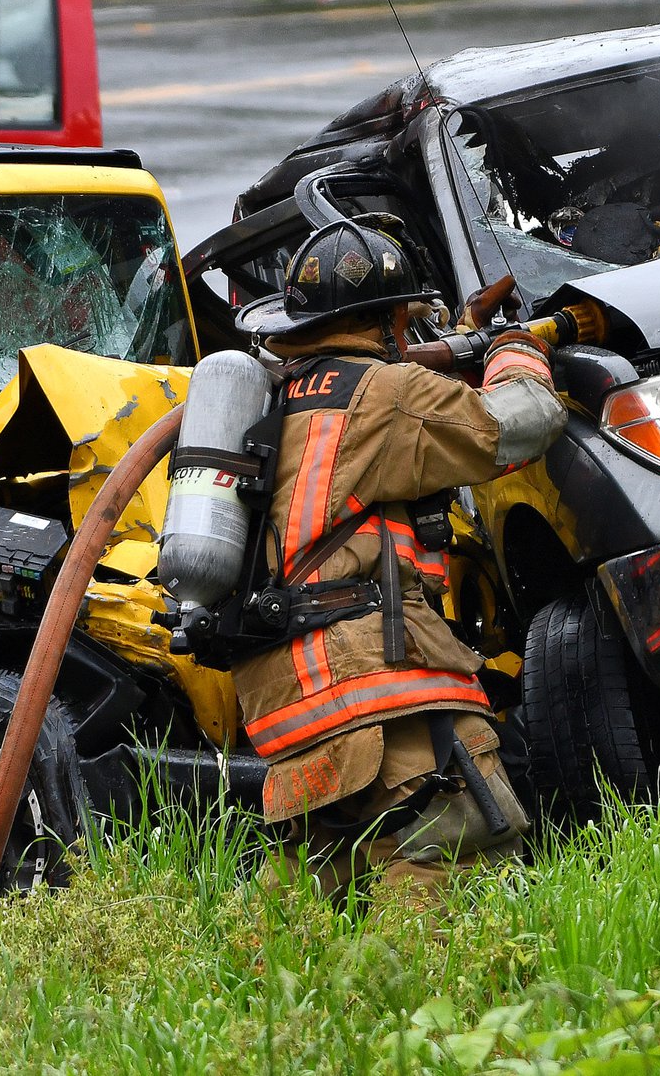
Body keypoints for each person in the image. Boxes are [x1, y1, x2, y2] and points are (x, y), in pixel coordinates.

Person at [232, 217, 567, 894]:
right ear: (385, 320)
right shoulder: (388, 394)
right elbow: (526, 420)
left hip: (288, 694)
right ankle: (426, 999)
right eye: (407, 322)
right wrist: (514, 348)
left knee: (322, 883)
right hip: (375, 677)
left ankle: (254, 993)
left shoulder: (278, 399)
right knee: (463, 841)